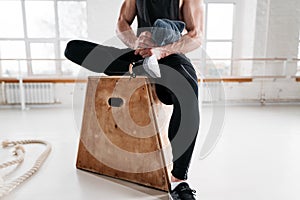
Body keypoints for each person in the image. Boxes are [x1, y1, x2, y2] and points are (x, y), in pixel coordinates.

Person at [64, 0, 203, 199]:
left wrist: (161, 51)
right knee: (73, 48)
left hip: (170, 55)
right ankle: (138, 67)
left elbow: (196, 35)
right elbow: (122, 22)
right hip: (140, 55)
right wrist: (135, 43)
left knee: (188, 90)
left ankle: (179, 180)